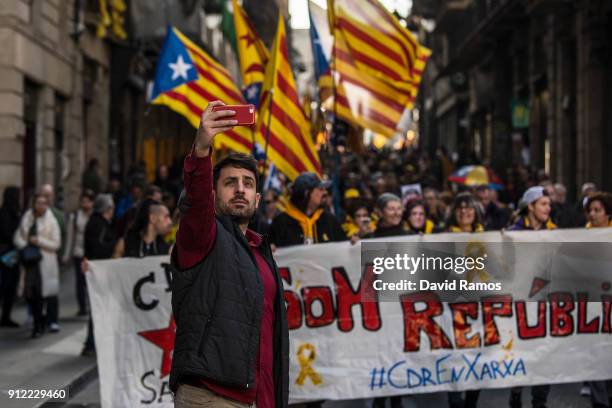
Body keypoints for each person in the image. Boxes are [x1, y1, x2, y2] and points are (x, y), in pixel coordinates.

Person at [171, 101, 289, 407]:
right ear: (213, 194)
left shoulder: (261, 252)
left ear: (257, 198)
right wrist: (201, 148)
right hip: (212, 396)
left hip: (259, 398)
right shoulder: (203, 237)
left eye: (248, 184)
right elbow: (195, 204)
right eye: (230, 183)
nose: (240, 189)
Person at [14, 193, 61, 338]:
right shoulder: (27, 218)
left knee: (43, 295)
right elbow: (17, 237)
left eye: (44, 203)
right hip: (30, 263)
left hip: (45, 263)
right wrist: (25, 245)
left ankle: (40, 324)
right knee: (31, 295)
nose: (41, 206)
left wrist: (39, 241)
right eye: (38, 203)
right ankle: (37, 321)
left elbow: (56, 243)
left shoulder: (51, 221)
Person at [81, 194, 118, 356]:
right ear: (107, 209)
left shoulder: (95, 222)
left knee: (98, 308)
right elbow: (99, 247)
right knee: (98, 308)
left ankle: (93, 343)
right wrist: (115, 246)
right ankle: (91, 344)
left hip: (96, 269)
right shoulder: (100, 224)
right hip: (99, 270)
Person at [268, 172, 346, 248]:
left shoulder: (330, 221)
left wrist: (354, 243)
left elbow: (344, 249)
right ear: (307, 193)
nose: (325, 192)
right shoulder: (280, 223)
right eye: (320, 189)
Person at [62, 190, 95, 316]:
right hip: (79, 252)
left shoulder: (95, 216)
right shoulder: (75, 216)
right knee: (80, 281)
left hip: (91, 253)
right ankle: (82, 307)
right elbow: (70, 235)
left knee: (91, 281)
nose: (86, 204)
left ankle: (92, 305)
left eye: (88, 201)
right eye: (83, 201)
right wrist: (66, 254)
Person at [0, 186, 22, 327]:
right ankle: (5, 316)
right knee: (6, 286)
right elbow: (7, 233)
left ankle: (6, 316)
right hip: (7, 255)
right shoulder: (6, 214)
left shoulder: (12, 212)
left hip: (10, 254)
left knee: (9, 287)